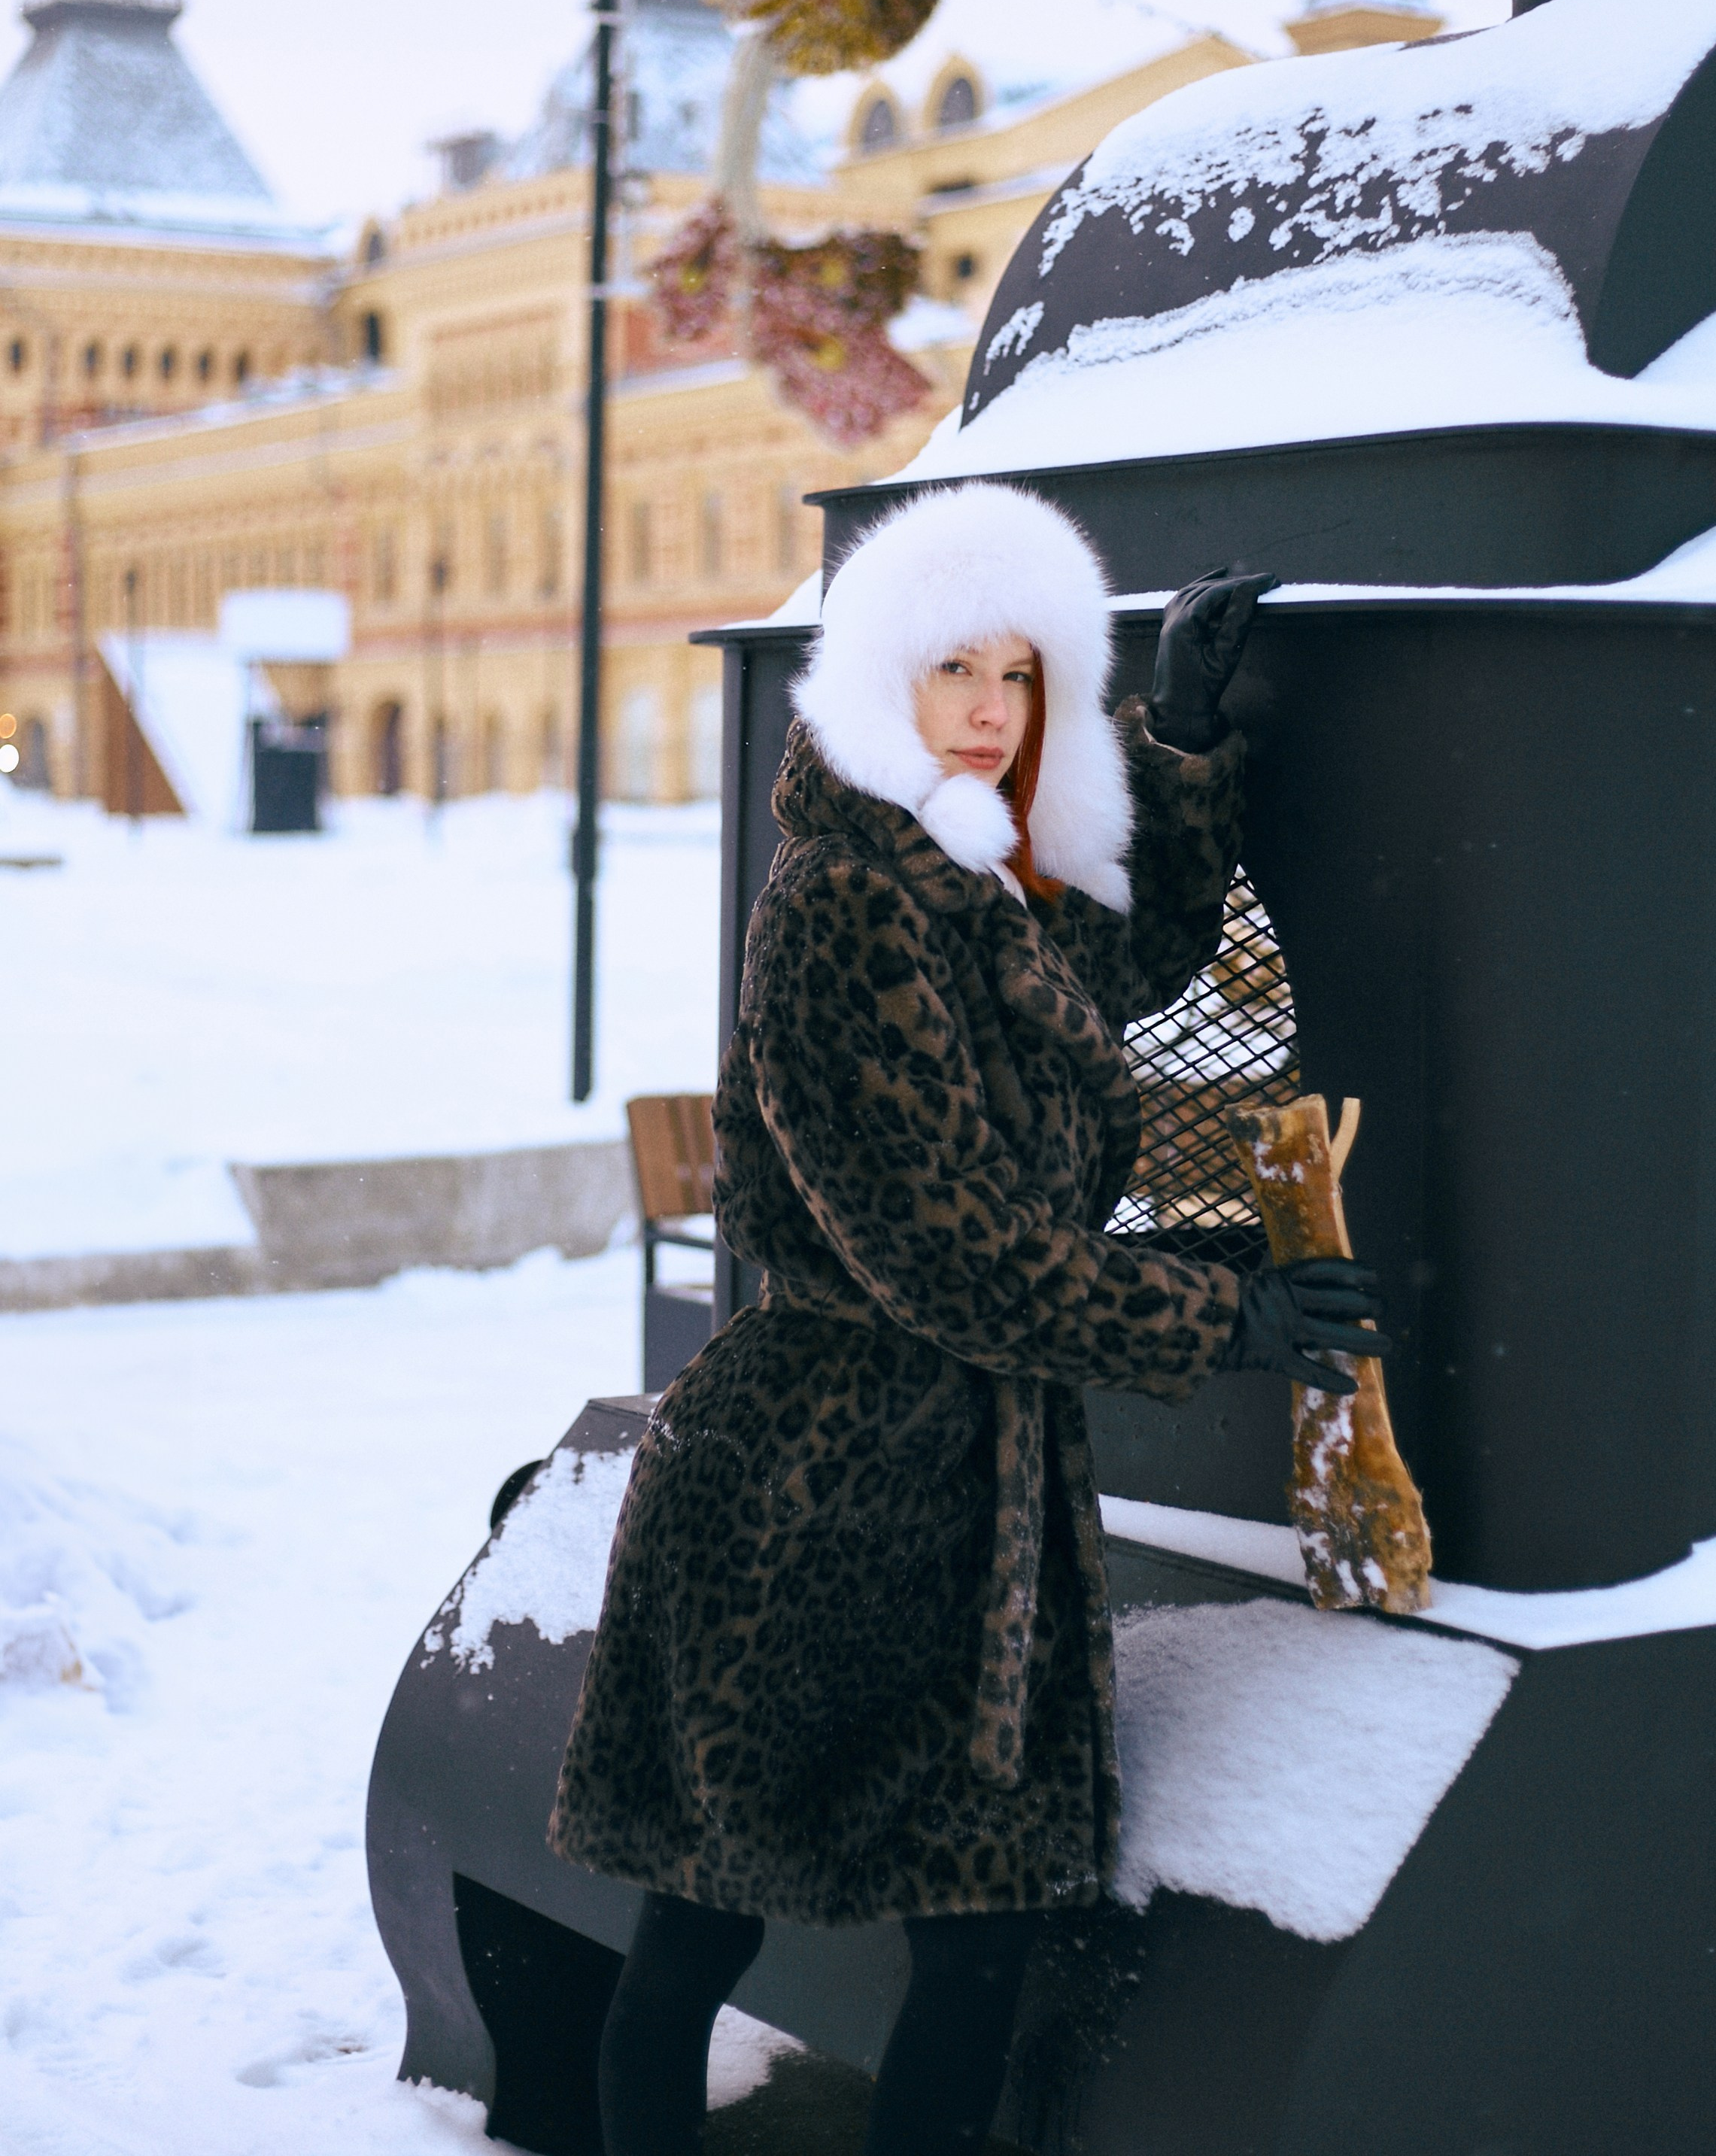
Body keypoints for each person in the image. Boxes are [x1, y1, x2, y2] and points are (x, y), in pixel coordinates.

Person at [548, 482, 1383, 2155]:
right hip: (804, 1496)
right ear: (879, 684)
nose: (993, 712)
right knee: (702, 1920)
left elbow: (1125, 967)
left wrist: (1183, 738)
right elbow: (952, 1253)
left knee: (979, 1938)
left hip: (960, 1496)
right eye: (955, 672)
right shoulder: (841, 907)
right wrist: (1222, 1316)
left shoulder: (974, 878)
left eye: (1022, 676)